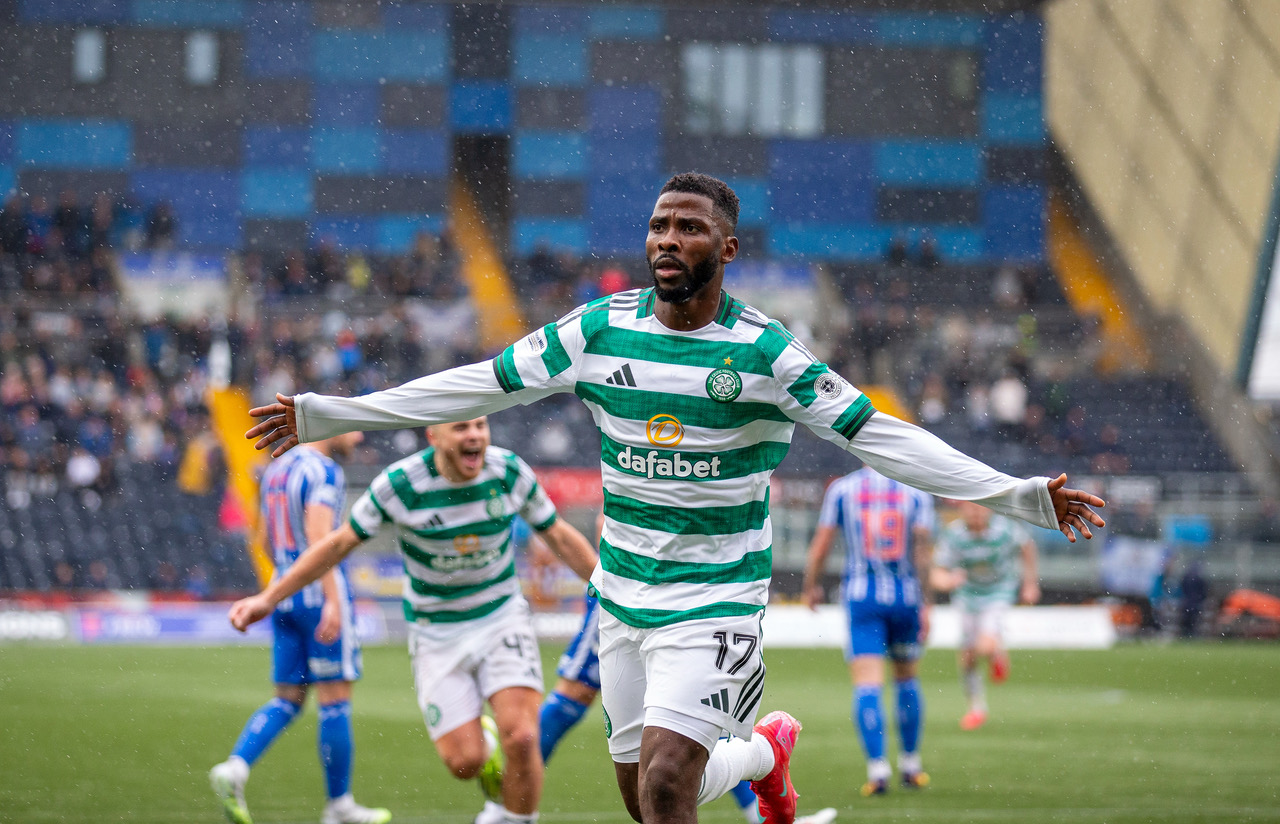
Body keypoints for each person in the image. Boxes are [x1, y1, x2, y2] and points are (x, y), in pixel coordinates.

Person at [246, 172, 1106, 824]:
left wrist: (1019, 495)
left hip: (719, 596)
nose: (667, 238)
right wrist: (328, 415)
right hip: (622, 594)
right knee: (643, 794)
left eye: (688, 228)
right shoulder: (598, 329)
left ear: (725, 250)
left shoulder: (768, 353)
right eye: (659, 225)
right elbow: (480, 383)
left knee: (664, 783)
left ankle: (753, 755)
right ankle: (765, 755)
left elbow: (878, 435)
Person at [229, 417, 599, 824]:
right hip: (435, 632)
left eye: (479, 426)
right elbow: (335, 545)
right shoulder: (401, 485)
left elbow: (559, 536)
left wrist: (608, 588)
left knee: (524, 736)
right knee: (465, 762)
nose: (473, 436)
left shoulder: (508, 471)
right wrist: (268, 597)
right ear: (434, 436)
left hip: (500, 618)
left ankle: (513, 818)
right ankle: (485, 746)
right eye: (460, 428)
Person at [536, 517, 837, 824]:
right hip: (626, 588)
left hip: (693, 594)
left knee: (675, 744)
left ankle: (514, 806)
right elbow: (601, 517)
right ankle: (763, 759)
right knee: (645, 796)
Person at [209, 430, 391, 824]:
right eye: (350, 424)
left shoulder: (276, 468)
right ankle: (339, 805)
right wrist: (331, 599)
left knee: (287, 699)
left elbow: (261, 537)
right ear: (330, 426)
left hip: (282, 590)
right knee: (335, 699)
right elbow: (320, 538)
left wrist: (275, 589)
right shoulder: (323, 471)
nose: (357, 434)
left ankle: (235, 768)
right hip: (316, 594)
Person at [800, 467, 936, 796]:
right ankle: (911, 765)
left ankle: (877, 770)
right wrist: (927, 601)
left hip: (862, 598)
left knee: (867, 683)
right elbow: (922, 549)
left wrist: (811, 585)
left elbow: (822, 544)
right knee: (907, 678)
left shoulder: (844, 490)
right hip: (905, 597)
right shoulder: (916, 491)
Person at [930, 500, 1040, 731]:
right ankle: (976, 708)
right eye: (970, 509)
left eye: (979, 508)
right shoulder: (954, 535)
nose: (975, 514)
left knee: (984, 647)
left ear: (988, 509)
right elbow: (937, 572)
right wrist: (948, 581)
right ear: (961, 511)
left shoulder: (1005, 530)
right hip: (967, 596)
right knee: (968, 656)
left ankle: (995, 651)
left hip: (998, 593)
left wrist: (1030, 583)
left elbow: (1027, 546)